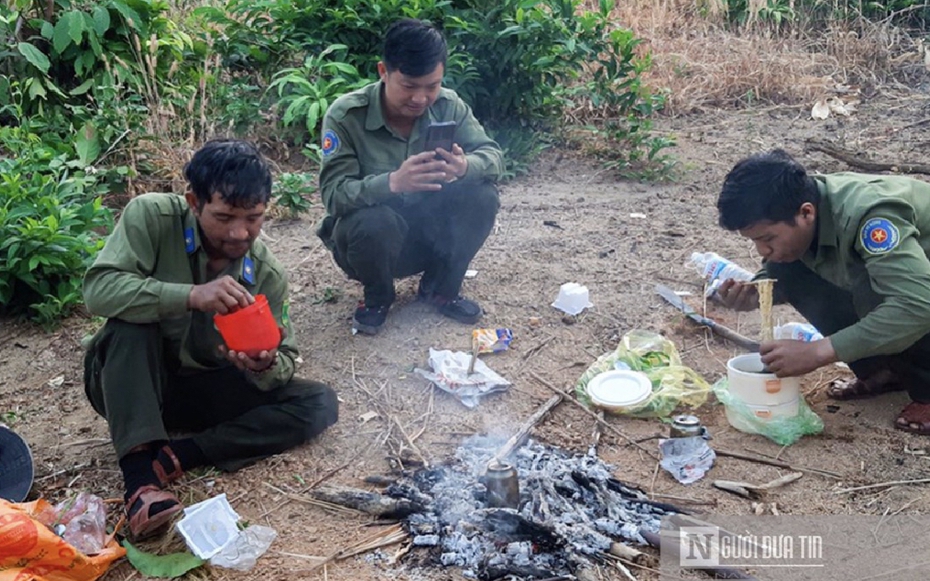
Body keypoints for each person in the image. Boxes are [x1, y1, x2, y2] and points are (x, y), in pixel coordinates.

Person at [82, 140, 339, 540]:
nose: (239, 233)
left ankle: (180, 455)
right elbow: (99, 291)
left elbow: (285, 356)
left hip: (204, 393)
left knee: (318, 401)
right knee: (131, 325)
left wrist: (264, 365)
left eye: (253, 218)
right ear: (193, 202)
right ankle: (139, 485)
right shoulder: (151, 216)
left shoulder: (266, 274)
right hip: (134, 383)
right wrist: (188, 296)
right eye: (223, 217)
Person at [715, 148, 930, 436]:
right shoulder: (804, 203)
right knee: (788, 270)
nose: (762, 250)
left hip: (922, 293)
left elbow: (917, 305)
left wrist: (818, 351)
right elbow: (793, 268)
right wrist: (757, 292)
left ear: (806, 213)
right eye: (754, 241)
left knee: (900, 296)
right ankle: (885, 370)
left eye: (767, 238)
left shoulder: (871, 217)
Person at [317, 18, 503, 335]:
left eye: (431, 86)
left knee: (483, 196)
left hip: (431, 236)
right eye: (409, 86)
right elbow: (333, 195)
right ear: (383, 72)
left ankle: (441, 288)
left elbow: (494, 156)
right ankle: (377, 298)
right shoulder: (346, 116)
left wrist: (463, 167)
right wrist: (392, 183)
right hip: (371, 246)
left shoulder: (449, 105)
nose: (420, 98)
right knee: (374, 222)